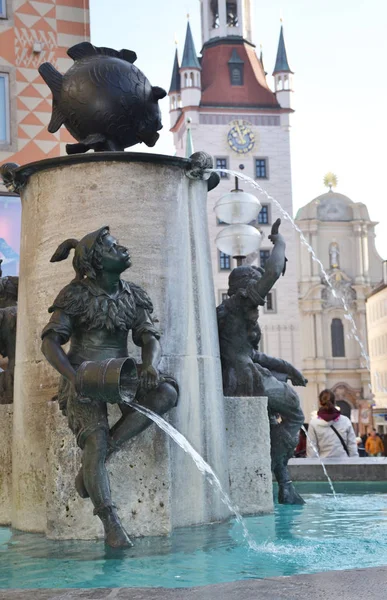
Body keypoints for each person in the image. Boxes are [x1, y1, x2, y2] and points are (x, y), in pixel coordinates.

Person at [41, 226, 178, 548]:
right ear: (96, 261)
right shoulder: (74, 294)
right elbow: (50, 343)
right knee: (94, 441)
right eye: (115, 248)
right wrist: (73, 378)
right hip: (83, 374)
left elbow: (148, 337)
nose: (124, 250)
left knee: (166, 393)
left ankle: (97, 462)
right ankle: (110, 520)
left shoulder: (134, 293)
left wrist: (149, 366)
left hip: (122, 372)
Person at [217, 219, 306, 505]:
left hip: (244, 372)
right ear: (246, 287)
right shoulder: (240, 305)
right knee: (294, 412)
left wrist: (287, 367)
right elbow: (275, 270)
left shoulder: (230, 312)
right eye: (257, 283)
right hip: (243, 378)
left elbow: (252, 353)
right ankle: (278, 471)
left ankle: (284, 482)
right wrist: (278, 241)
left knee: (270, 418)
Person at [307, 389, 358, 458]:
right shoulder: (345, 421)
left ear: (320, 402)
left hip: (324, 466)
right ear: (334, 402)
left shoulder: (314, 423)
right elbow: (352, 446)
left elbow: (312, 449)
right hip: (344, 464)